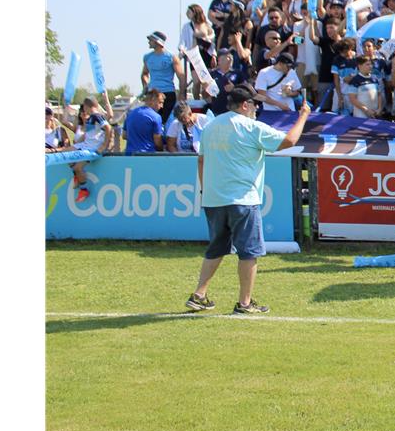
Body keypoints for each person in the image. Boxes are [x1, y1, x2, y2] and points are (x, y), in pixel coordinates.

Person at [186, 87, 310, 315]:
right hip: (242, 199)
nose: (256, 108)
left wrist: (205, 191)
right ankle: (244, 303)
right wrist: (303, 116)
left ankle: (199, 294)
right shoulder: (251, 127)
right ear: (245, 105)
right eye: (254, 104)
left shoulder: (211, 126)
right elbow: (290, 140)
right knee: (249, 251)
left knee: (216, 248)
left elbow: (201, 161)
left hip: (213, 198)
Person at [58, 95, 115, 202]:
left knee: (77, 168)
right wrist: (77, 144)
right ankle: (77, 176)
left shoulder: (97, 116)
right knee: (65, 153)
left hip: (93, 149)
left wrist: (104, 146)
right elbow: (89, 134)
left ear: (86, 106)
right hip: (85, 145)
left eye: (83, 107)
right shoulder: (91, 117)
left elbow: (108, 128)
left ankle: (83, 190)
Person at [141, 31, 185, 122]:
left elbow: (181, 77)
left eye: (151, 40)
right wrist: (146, 85)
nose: (149, 42)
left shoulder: (172, 57)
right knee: (151, 120)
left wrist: (181, 94)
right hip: (152, 94)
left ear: (157, 42)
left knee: (166, 122)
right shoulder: (147, 57)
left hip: (168, 93)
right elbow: (145, 73)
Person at [124, 89, 167, 154]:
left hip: (129, 154)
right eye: (160, 102)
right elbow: (158, 142)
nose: (162, 106)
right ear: (152, 101)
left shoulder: (130, 113)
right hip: (147, 155)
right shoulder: (156, 117)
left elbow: (124, 135)